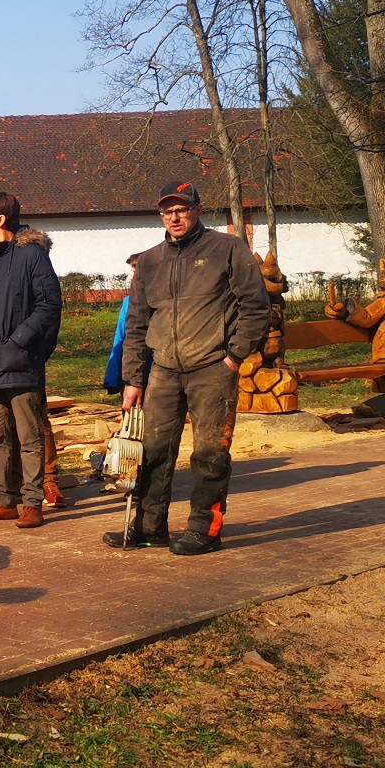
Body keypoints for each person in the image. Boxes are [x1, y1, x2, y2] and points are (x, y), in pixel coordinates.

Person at [109, 180, 269, 555]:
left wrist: (234, 356)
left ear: (197, 210)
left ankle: (204, 529)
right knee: (153, 452)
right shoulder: (149, 261)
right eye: (168, 211)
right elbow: (136, 325)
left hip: (212, 368)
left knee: (210, 454)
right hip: (162, 371)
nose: (174, 217)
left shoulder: (227, 248)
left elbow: (257, 307)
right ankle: (150, 527)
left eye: (181, 209)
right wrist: (133, 378)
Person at [0, 191, 62, 528]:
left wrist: (19, 341)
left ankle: (31, 501)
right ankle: (3, 500)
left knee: (29, 436)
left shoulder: (31, 254)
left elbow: (49, 304)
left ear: (1, 220)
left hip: (21, 363)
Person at [104, 252, 144, 394]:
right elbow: (120, 339)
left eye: (136, 269)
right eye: (132, 270)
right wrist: (114, 377)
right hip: (131, 372)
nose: (132, 276)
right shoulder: (128, 301)